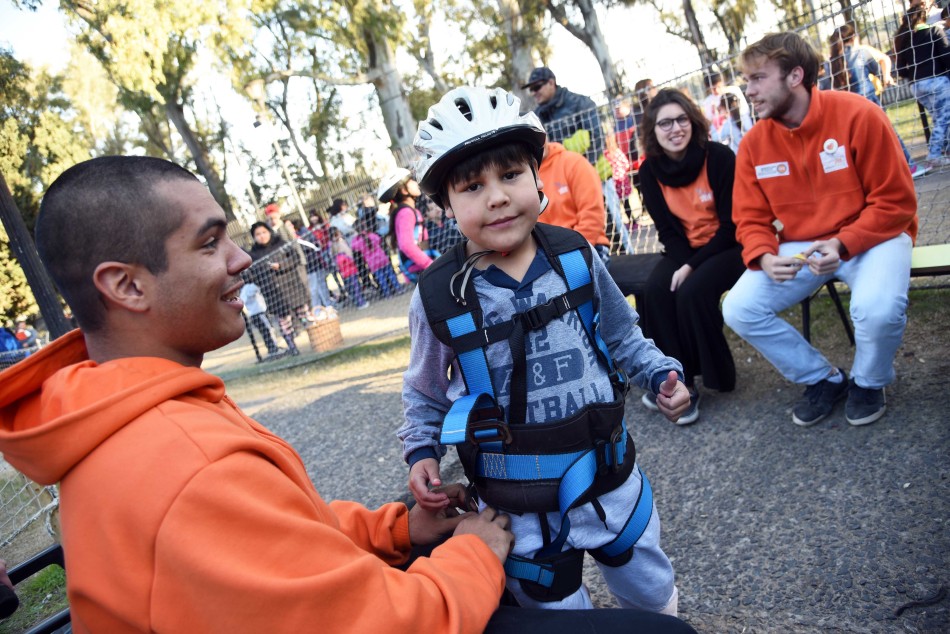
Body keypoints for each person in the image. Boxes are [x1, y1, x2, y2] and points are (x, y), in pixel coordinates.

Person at [0, 155, 537, 633]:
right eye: (209, 243)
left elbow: (279, 535)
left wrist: (396, 528)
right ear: (127, 286)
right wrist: (475, 553)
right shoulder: (189, 463)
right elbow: (383, 622)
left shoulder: (135, 407)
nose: (240, 259)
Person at [401, 86, 692, 616]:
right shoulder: (439, 297)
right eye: (472, 186)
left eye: (511, 175)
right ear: (445, 205)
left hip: (609, 484)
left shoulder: (575, 257)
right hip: (518, 511)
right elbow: (424, 392)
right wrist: (423, 453)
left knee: (653, 602)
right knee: (558, 618)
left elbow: (623, 335)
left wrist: (658, 373)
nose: (497, 197)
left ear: (537, 177)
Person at [722, 32, 918, 428]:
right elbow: (750, 218)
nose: (749, 90)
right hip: (804, 245)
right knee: (739, 308)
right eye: (746, 80)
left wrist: (843, 243)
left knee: (877, 310)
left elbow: (895, 204)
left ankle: (869, 381)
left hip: (874, 236)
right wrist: (763, 255)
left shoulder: (859, 114)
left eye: (758, 78)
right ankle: (823, 378)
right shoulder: (754, 143)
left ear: (795, 76)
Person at [636, 89, 746, 425]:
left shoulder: (719, 157)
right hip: (684, 249)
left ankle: (715, 376)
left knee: (691, 290)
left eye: (681, 119)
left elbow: (732, 227)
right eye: (665, 123)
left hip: (730, 247)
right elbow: (668, 232)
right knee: (654, 290)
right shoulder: (649, 172)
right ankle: (677, 382)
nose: (675, 128)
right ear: (653, 131)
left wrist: (691, 266)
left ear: (693, 121)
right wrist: (686, 261)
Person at [828, 24, 925, 178]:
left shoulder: (831, 62)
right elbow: (878, 69)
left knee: (861, 142)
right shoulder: (861, 52)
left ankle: (875, 175)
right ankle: (909, 167)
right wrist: (885, 77)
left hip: (846, 108)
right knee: (888, 133)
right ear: (853, 37)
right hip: (867, 101)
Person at [537, 141, 611, 265]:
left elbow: (592, 215)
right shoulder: (523, 178)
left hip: (587, 246)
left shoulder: (573, 162)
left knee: (571, 276)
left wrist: (570, 256)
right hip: (546, 258)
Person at [895, 4, 950, 170]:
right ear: (924, 17)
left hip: (917, 86)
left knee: (938, 117)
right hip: (937, 82)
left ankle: (944, 150)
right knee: (944, 118)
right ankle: (934, 155)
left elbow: (900, 70)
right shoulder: (934, 31)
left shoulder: (905, 39)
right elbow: (947, 58)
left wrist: (916, 74)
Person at [248, 222, 310, 355]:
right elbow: (253, 275)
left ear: (269, 232)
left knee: (305, 318)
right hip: (274, 295)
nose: (262, 236)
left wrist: (281, 265)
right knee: (285, 324)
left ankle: (317, 340)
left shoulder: (281, 244)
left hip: (293, 289)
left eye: (264, 232)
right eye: (258, 234)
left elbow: (295, 258)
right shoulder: (254, 255)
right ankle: (293, 348)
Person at [522, 67, 604, 166]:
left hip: (584, 167)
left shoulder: (581, 103)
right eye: (531, 89)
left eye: (537, 87)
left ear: (551, 83)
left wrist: (583, 168)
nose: (533, 93)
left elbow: (597, 137)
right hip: (555, 171)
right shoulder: (535, 116)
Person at [379, 168, 436, 280]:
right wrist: (430, 265)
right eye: (412, 181)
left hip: (422, 266)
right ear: (404, 190)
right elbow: (406, 245)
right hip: (420, 268)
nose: (416, 183)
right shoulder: (406, 213)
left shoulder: (411, 211)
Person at [351, 215, 402, 298]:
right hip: (382, 258)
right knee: (390, 274)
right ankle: (398, 289)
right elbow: (379, 240)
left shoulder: (357, 241)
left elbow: (353, 247)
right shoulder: (371, 235)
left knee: (381, 278)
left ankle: (388, 294)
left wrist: (356, 236)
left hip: (372, 263)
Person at [238, 275, 284, 359]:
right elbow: (256, 291)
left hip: (253, 315)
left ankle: (271, 348)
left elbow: (243, 301)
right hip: (259, 313)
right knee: (269, 330)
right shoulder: (251, 287)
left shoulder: (243, 291)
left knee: (264, 332)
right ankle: (274, 348)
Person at [329, 226, 369, 309]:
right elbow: (349, 253)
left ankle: (357, 302)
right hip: (349, 268)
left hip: (343, 271)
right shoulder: (340, 243)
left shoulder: (332, 246)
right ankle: (361, 302)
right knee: (355, 286)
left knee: (351, 287)